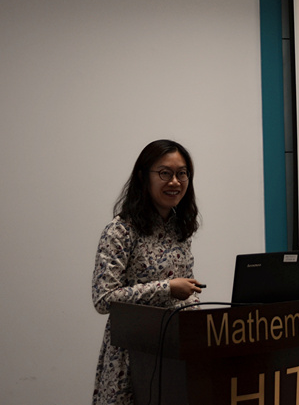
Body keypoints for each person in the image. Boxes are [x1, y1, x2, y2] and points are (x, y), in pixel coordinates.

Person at [91, 139, 204, 405]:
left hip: (173, 353)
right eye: (165, 173)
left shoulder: (180, 228)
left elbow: (186, 289)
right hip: (131, 356)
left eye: (182, 173)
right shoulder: (120, 231)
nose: (175, 182)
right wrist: (167, 288)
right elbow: (103, 299)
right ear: (143, 177)